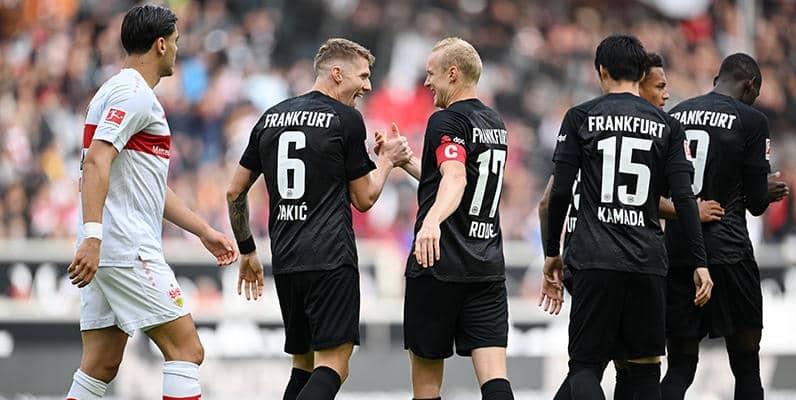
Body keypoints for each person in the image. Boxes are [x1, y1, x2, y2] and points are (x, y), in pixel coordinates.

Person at [66, 5, 238, 400]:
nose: (177, 50)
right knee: (187, 350)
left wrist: (203, 231)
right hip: (124, 245)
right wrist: (93, 237)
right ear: (161, 45)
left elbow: (148, 186)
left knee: (101, 363)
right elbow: (96, 161)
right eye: (176, 42)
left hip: (108, 246)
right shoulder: (135, 95)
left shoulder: (111, 91)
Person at [225, 38, 411, 400]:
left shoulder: (270, 117)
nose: (368, 86)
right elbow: (364, 199)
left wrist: (247, 250)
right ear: (337, 73)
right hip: (330, 258)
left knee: (303, 364)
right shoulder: (346, 119)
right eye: (363, 76)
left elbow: (234, 192)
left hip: (287, 259)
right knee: (334, 365)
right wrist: (387, 160)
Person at [538, 50, 723, 400]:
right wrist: (700, 262)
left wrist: (552, 253)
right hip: (647, 262)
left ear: (601, 70)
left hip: (593, 258)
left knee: (585, 367)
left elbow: (557, 193)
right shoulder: (668, 126)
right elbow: (685, 199)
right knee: (643, 369)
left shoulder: (580, 117)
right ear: (640, 74)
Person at [379, 37, 515, 400]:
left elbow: (455, 178)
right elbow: (451, 178)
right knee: (495, 380)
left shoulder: (446, 119)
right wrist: (405, 161)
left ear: (452, 73)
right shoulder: (494, 122)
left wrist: (431, 222)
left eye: (431, 73)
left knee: (426, 387)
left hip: (438, 264)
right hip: (485, 266)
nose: (426, 82)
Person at [660, 53, 789, 400]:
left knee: (679, 368)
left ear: (718, 79)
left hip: (680, 253)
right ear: (751, 85)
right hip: (729, 252)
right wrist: (765, 190)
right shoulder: (752, 120)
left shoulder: (676, 115)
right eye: (756, 93)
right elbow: (757, 204)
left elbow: (661, 192)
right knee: (746, 366)